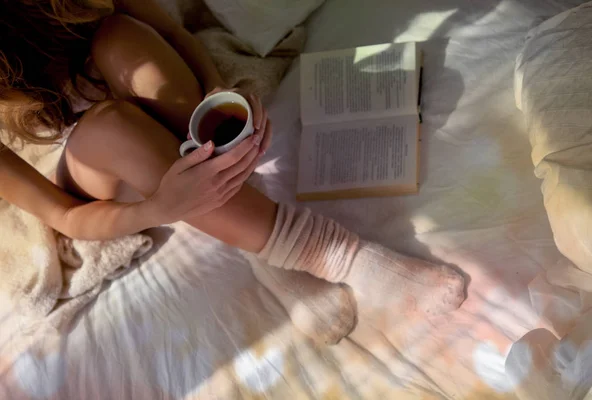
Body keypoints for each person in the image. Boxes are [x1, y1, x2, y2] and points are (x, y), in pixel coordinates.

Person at [0, 0, 465, 340]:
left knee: (121, 33)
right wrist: (160, 208)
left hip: (153, 116)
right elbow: (64, 217)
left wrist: (218, 91)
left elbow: (179, 39)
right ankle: (335, 253)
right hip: (93, 182)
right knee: (109, 125)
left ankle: (263, 249)